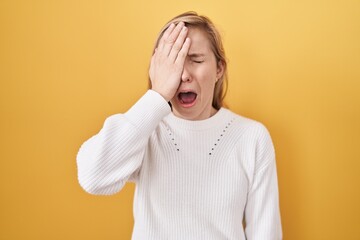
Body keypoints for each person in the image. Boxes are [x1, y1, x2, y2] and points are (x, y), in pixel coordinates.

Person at [77, 11, 282, 240]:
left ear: (219, 69)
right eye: (173, 63)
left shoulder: (251, 137)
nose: (183, 75)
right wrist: (157, 95)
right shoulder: (146, 130)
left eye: (196, 60)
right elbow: (93, 176)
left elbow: (266, 233)